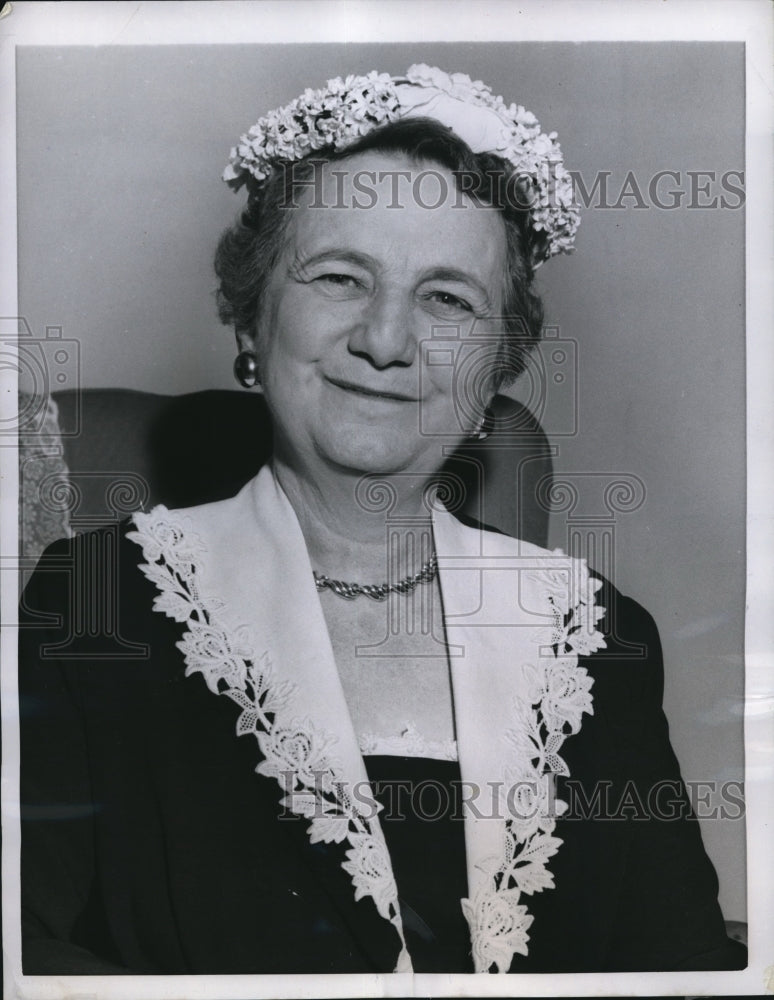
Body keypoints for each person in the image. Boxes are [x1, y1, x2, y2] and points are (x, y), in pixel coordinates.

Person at [19, 64, 745, 976]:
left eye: (447, 299)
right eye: (339, 276)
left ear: (496, 369)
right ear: (251, 321)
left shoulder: (596, 637)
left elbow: (680, 965)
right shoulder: (91, 604)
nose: (387, 339)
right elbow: (24, 957)